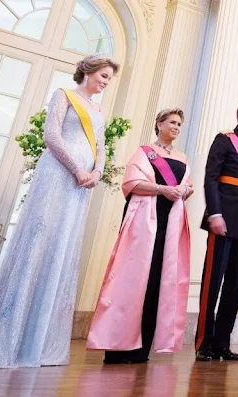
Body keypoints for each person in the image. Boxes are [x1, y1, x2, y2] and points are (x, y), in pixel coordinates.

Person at [0, 54, 119, 368]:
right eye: (103, 76)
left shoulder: (99, 110)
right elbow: (52, 136)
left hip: (81, 187)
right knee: (38, 242)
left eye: (108, 79)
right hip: (58, 176)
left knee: (61, 248)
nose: (105, 82)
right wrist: (77, 169)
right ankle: (11, 339)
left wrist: (97, 173)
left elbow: (101, 146)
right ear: (88, 72)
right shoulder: (64, 96)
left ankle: (40, 342)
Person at [86, 108, 193, 364]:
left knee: (157, 280)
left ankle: (141, 348)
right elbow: (132, 184)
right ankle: (119, 346)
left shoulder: (183, 157)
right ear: (159, 123)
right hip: (145, 220)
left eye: (179, 123)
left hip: (170, 222)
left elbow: (187, 185)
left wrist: (184, 190)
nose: (177, 127)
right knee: (133, 278)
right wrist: (163, 189)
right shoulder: (144, 152)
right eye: (172, 122)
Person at [194, 99, 238, 361]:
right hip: (223, 218)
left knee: (234, 285)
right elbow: (211, 177)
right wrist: (214, 213)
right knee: (213, 283)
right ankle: (204, 343)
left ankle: (223, 343)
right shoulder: (223, 139)